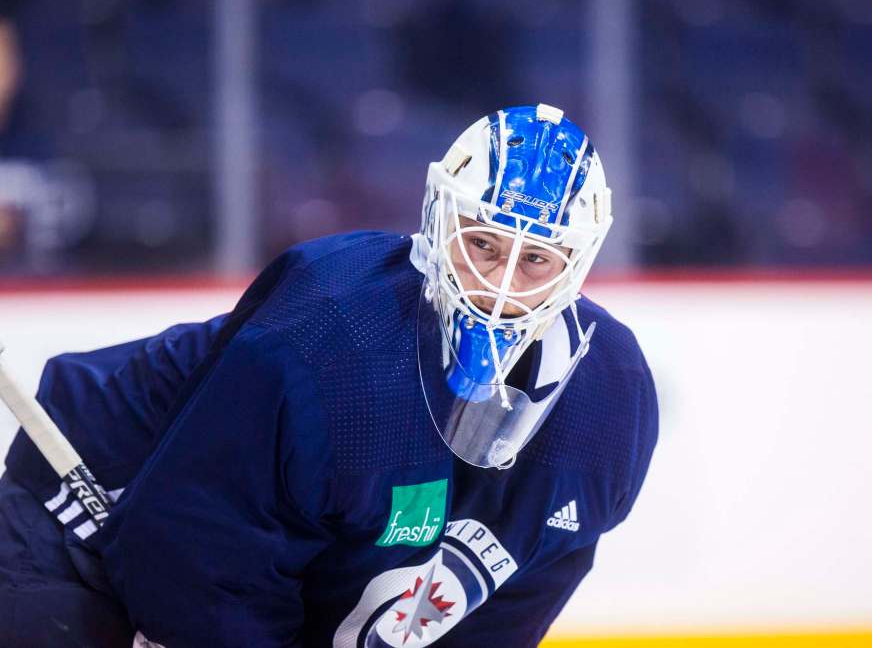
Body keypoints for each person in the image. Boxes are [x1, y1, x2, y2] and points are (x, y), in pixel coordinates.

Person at [0, 103, 658, 647]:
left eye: (535, 260)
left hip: (212, 554)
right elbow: (197, 549)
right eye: (482, 243)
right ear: (440, 217)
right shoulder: (333, 333)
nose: (499, 284)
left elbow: (510, 608)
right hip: (89, 519)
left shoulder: (610, 399)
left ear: (576, 265)